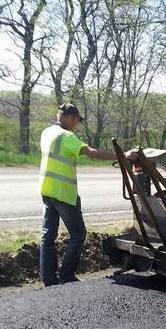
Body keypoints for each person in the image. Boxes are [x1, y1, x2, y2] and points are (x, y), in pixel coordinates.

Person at [39, 103, 136, 287]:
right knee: (78, 234)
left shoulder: (47, 132)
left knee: (47, 236)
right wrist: (123, 156)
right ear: (70, 117)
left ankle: (48, 279)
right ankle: (66, 275)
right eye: (76, 120)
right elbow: (91, 153)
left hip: (46, 189)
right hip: (63, 193)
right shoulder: (66, 136)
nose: (76, 124)